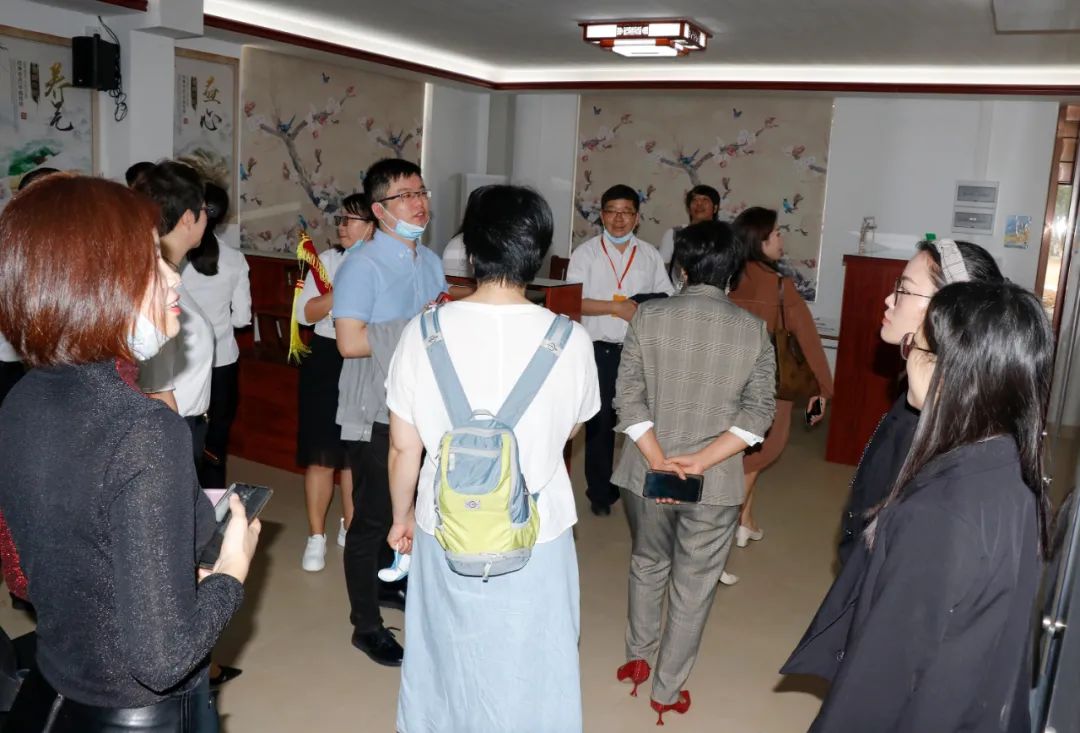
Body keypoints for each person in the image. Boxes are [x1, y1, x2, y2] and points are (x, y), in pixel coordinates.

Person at [0, 174, 259, 732]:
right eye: (149, 262)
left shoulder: (24, 398)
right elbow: (164, 660)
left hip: (54, 686)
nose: (172, 277)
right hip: (135, 712)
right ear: (93, 283)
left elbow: (27, 576)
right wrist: (230, 572)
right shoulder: (144, 429)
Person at [785, 281, 1051, 733]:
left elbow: (880, 678)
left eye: (915, 346)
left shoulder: (938, 513)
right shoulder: (1010, 466)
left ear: (953, 372)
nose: (905, 358)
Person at [385, 184, 599, 733]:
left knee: (444, 657)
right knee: (535, 660)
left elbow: (405, 446)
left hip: (444, 522)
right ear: (537, 251)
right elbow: (572, 428)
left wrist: (402, 517)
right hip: (539, 527)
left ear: (471, 250)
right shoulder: (571, 339)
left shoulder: (423, 331)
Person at [610, 220, 776, 725]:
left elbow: (627, 396)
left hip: (646, 471)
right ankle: (666, 691)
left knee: (647, 562)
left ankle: (637, 660)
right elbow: (759, 413)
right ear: (734, 271)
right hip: (715, 482)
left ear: (680, 266)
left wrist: (658, 457)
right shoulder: (752, 329)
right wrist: (701, 461)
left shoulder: (648, 316)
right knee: (694, 585)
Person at [334, 158, 448, 666]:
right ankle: (365, 626)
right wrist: (420, 325)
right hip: (375, 405)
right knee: (372, 517)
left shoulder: (430, 260)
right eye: (405, 196)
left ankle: (388, 583)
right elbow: (350, 341)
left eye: (421, 192)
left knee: (416, 507)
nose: (419, 203)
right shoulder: (362, 264)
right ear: (379, 210)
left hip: (424, 403)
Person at [836, 239, 1003, 565]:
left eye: (905, 290)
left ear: (949, 310)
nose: (889, 299)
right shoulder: (918, 392)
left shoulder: (943, 425)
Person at [567, 184, 673, 517]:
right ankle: (600, 493)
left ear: (637, 218)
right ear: (602, 215)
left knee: (639, 421)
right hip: (598, 351)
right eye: (612, 211)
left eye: (626, 212)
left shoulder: (649, 255)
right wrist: (616, 308)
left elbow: (666, 297)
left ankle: (636, 485)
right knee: (599, 426)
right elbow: (573, 301)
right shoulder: (585, 254)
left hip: (637, 351)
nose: (619, 219)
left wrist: (638, 306)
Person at [729, 206, 832, 547]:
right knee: (757, 456)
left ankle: (746, 522)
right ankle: (727, 529)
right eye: (776, 233)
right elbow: (808, 341)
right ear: (759, 241)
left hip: (727, 382)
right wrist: (823, 389)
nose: (781, 239)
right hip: (770, 385)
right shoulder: (779, 286)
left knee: (741, 452)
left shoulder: (727, 279)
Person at [294, 193, 374, 571]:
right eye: (340, 220)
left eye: (350, 220)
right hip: (327, 356)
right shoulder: (326, 261)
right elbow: (305, 314)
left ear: (373, 226)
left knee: (355, 454)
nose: (342, 226)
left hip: (366, 357)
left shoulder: (383, 264)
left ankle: (350, 525)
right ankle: (316, 536)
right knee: (321, 452)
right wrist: (340, 292)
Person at [132, 162, 217, 470]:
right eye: (205, 209)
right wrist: (178, 456)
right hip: (172, 427)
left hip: (184, 423)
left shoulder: (170, 276)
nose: (207, 217)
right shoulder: (157, 286)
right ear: (187, 218)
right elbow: (156, 388)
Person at [181, 182, 252, 488]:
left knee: (183, 438)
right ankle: (214, 503)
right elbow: (242, 318)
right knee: (216, 443)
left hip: (182, 363)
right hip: (222, 361)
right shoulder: (235, 259)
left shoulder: (175, 259)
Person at [658, 184, 722, 267]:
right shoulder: (674, 234)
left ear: (715, 208)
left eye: (705, 200)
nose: (699, 203)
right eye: (694, 200)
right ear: (688, 209)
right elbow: (660, 268)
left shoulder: (724, 236)